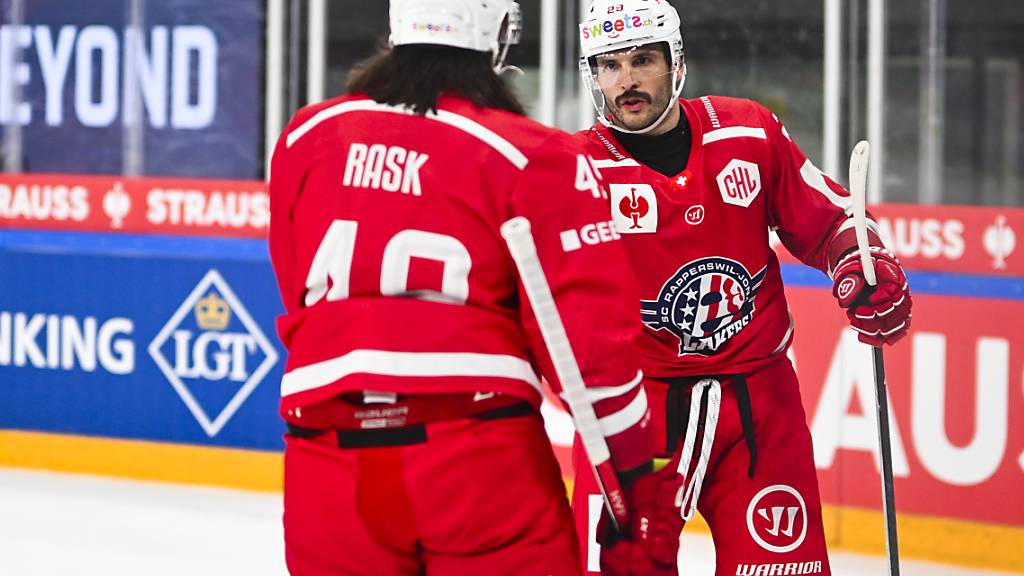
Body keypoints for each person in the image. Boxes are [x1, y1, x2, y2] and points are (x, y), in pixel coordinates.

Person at [268, 1, 680, 574]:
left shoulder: (305, 136)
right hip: (474, 456)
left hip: (327, 453)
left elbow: (300, 291)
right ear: (500, 34)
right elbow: (591, 357)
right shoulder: (531, 154)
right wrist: (634, 486)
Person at [569, 0, 914, 574]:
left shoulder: (748, 132)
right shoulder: (575, 169)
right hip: (632, 413)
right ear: (592, 75)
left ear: (675, 64)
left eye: (642, 60)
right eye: (609, 65)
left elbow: (830, 219)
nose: (626, 80)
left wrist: (864, 263)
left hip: (758, 406)